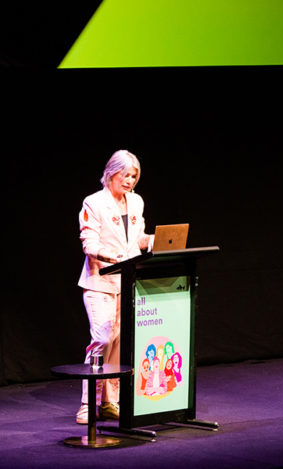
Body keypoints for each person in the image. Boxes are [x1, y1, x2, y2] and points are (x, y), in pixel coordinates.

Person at [76, 150, 154, 424]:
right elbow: (89, 244)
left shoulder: (136, 202)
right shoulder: (93, 203)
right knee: (103, 338)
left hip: (126, 281)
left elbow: (136, 239)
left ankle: (110, 401)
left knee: (120, 343)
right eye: (126, 175)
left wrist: (157, 241)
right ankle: (88, 403)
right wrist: (112, 257)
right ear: (111, 173)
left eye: (134, 176)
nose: (130, 181)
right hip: (100, 282)